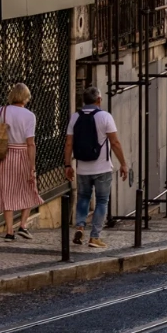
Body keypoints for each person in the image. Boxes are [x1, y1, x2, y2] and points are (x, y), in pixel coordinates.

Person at [64, 86, 128, 248]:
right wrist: (123, 163)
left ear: (84, 101)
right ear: (99, 100)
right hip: (102, 168)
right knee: (101, 201)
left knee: (83, 197)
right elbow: (115, 142)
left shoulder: (75, 117)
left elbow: (69, 143)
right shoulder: (105, 117)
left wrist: (67, 165)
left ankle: (80, 226)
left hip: (82, 168)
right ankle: (94, 237)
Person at [0, 84, 42, 242]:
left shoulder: (1, 111)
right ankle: (23, 225)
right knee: (30, 189)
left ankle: (9, 232)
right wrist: (32, 166)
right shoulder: (29, 116)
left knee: (7, 192)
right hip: (23, 153)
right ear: (26, 97)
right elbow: (31, 143)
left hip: (5, 155)